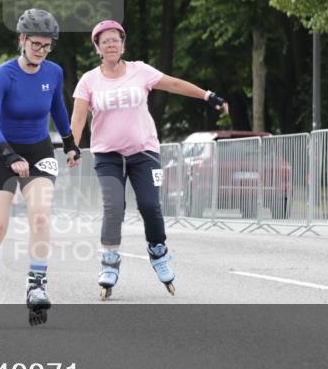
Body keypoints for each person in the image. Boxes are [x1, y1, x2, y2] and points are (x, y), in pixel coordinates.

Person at [70, 20, 229, 300]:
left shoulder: (140, 71)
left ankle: (158, 250)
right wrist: (72, 146)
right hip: (107, 155)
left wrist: (207, 95)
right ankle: (109, 261)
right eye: (104, 41)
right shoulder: (88, 80)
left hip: (143, 152)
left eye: (115, 40)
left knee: (149, 205)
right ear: (97, 47)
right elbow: (79, 117)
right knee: (113, 206)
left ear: (123, 44)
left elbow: (174, 84)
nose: (110, 44)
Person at [0, 8, 81, 328]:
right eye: (36, 44)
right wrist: (10, 156)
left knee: (40, 214)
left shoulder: (53, 72)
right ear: (22, 40)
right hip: (3, 151)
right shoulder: (4, 74)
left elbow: (58, 110)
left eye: (47, 45)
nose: (41, 51)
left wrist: (69, 143)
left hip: (39, 150)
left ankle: (36, 284)